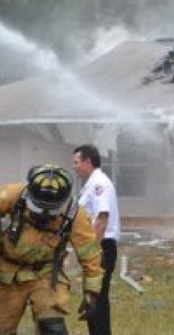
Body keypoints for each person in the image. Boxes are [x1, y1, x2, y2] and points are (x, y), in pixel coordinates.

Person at [0, 164, 103, 335]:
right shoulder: (11, 195)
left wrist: (92, 291)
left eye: (51, 210)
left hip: (46, 275)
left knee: (52, 326)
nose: (45, 214)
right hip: (7, 275)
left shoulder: (75, 213)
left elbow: (90, 253)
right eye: (39, 207)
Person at [72, 144, 120, 335]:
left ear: (88, 162)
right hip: (97, 247)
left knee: (97, 299)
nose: (74, 166)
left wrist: (92, 250)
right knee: (92, 298)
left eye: (76, 162)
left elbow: (101, 218)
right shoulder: (91, 183)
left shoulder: (99, 184)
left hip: (102, 247)